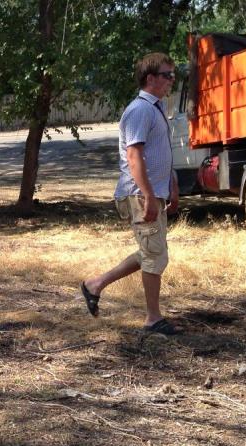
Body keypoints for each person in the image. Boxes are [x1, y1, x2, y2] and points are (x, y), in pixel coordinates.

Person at [81, 52, 181, 335]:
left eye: (173, 75)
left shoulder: (156, 109)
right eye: (167, 75)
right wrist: (148, 196)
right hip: (139, 194)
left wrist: (171, 186)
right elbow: (134, 156)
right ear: (150, 78)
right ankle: (153, 319)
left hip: (152, 192)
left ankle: (95, 284)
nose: (172, 80)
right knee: (154, 255)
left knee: (152, 253)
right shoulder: (140, 110)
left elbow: (159, 153)